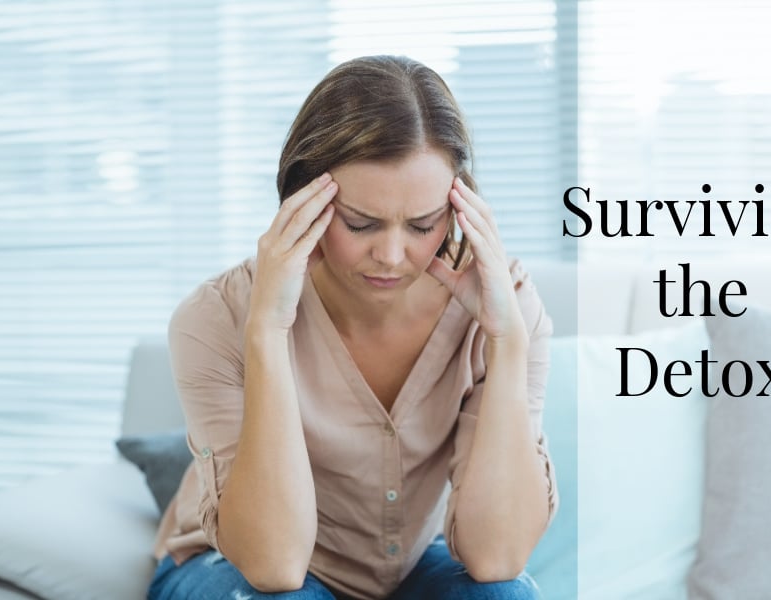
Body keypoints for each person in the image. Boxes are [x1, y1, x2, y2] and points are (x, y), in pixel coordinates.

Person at [147, 55, 558, 600]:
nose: (391, 256)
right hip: (229, 566)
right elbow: (274, 569)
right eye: (361, 223)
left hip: (404, 566)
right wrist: (268, 331)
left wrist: (507, 343)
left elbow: (496, 557)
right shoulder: (215, 316)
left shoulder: (503, 306)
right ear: (303, 199)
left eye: (422, 224)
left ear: (460, 208)